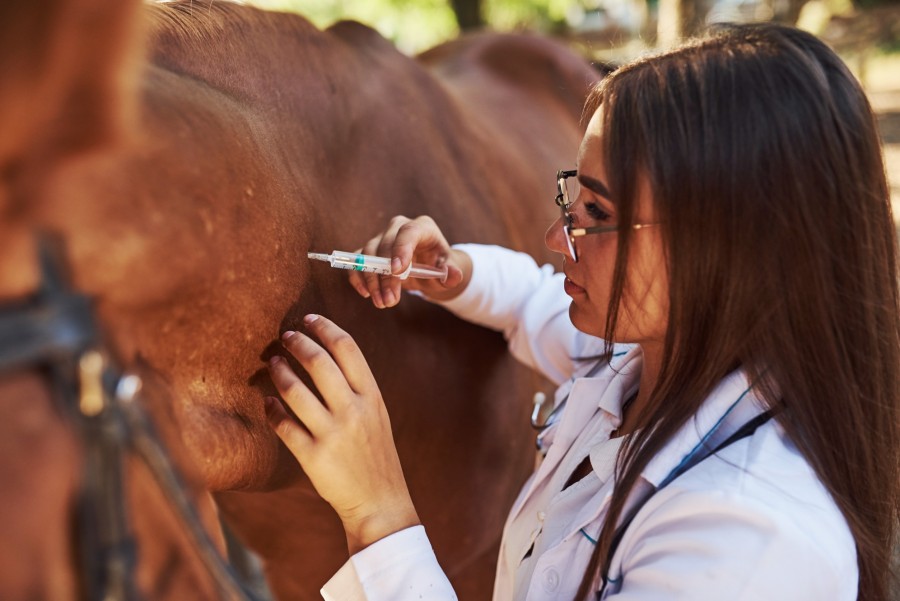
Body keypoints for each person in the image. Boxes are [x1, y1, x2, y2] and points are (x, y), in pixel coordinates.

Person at [263, 23, 899, 600]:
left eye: (595, 215)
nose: (554, 238)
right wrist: (452, 271)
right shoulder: (652, 355)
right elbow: (535, 301)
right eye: (573, 200)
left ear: (730, 243)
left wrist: (378, 512)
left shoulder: (748, 545)